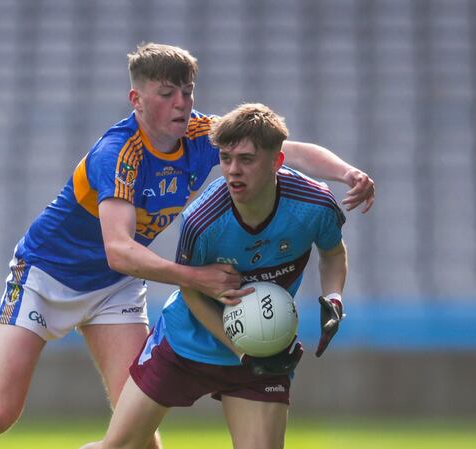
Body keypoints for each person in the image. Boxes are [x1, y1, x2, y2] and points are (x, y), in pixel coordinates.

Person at [0, 43, 370, 449]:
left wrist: (347, 173)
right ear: (136, 101)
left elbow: (284, 150)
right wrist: (195, 277)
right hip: (45, 277)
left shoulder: (201, 134)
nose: (182, 103)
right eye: (166, 93)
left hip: (114, 289)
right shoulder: (119, 153)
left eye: (187, 91)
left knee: (138, 438)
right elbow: (118, 250)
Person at [82, 103, 348, 449]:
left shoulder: (315, 205)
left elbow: (333, 253)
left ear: (276, 162)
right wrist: (239, 348)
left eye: (247, 160)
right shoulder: (202, 220)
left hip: (264, 347)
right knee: (119, 447)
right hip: (188, 339)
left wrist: (334, 298)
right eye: (225, 159)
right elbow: (190, 289)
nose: (233, 171)